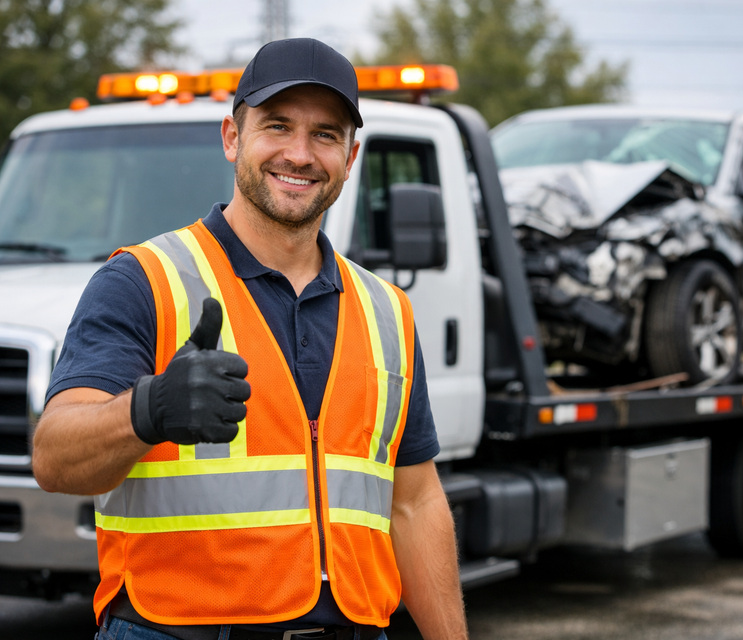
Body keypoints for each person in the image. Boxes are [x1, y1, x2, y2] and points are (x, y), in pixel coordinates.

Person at [32, 38, 468, 640]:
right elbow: (54, 458)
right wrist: (146, 410)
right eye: (277, 126)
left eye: (325, 134)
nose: (300, 153)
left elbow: (414, 504)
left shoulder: (387, 310)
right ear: (232, 138)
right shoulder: (142, 281)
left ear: (351, 154)